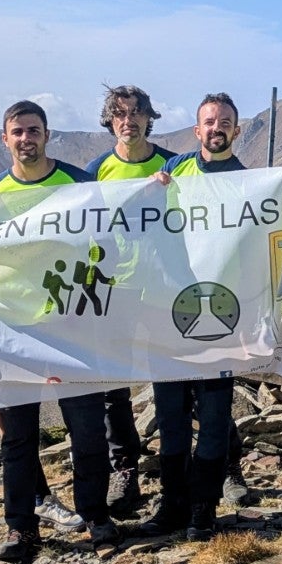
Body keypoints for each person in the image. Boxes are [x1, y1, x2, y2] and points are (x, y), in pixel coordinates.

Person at [0, 101, 117, 561]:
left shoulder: (79, 184)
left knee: (87, 428)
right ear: (3, 139)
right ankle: (20, 528)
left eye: (34, 130)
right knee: (18, 435)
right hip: (13, 333)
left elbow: (111, 238)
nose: (26, 138)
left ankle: (97, 516)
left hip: (74, 326)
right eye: (17, 132)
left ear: (47, 135)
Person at [143, 93, 250, 541]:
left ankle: (204, 509)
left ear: (237, 129)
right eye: (209, 121)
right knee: (170, 417)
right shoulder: (176, 172)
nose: (216, 128)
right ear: (197, 129)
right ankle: (173, 504)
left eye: (225, 121)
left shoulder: (252, 181)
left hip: (221, 317)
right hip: (170, 313)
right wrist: (149, 186)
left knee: (213, 414)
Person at [87, 84, 177, 517]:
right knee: (112, 389)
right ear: (110, 121)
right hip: (115, 290)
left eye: (137, 112)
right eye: (120, 113)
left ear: (149, 118)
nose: (129, 120)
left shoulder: (172, 166)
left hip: (165, 291)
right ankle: (125, 471)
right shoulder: (95, 170)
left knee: (181, 379)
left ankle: (224, 464)